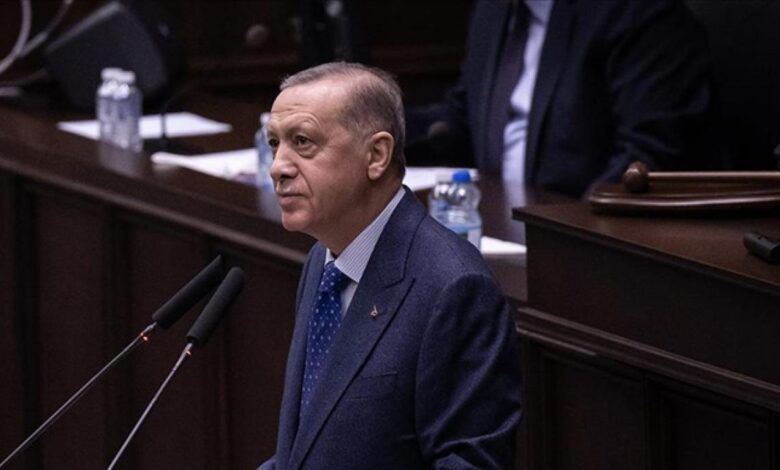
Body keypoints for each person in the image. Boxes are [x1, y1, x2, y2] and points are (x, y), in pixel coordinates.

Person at [257, 62, 522, 469]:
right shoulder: (323, 260)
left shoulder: (453, 287)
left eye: (303, 141)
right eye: (275, 143)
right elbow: (305, 447)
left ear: (377, 155)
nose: (278, 165)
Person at [406, 0, 724, 198]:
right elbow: (461, 119)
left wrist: (559, 238)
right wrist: (382, 129)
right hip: (501, 236)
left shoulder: (637, 12)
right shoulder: (495, 10)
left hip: (587, 247)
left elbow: (646, 160)